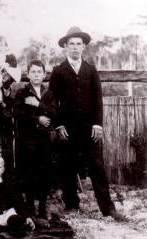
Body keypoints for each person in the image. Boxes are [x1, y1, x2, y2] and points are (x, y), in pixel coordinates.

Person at [49, 26, 126, 221]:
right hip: (67, 129)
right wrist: (58, 125)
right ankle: (71, 205)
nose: (75, 48)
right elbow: (51, 101)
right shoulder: (59, 71)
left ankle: (108, 209)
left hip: (89, 129)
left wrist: (98, 125)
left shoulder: (91, 70)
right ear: (65, 47)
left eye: (78, 44)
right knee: (68, 167)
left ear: (83, 47)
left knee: (97, 167)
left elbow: (98, 100)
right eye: (71, 44)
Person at [13, 60, 57, 219]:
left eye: (39, 72)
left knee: (44, 172)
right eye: (33, 72)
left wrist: (38, 105)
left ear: (44, 75)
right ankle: (30, 206)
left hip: (44, 139)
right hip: (28, 139)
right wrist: (37, 118)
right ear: (28, 74)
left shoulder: (49, 93)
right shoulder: (22, 92)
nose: (36, 75)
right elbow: (19, 113)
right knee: (29, 172)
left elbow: (54, 113)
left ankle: (43, 207)